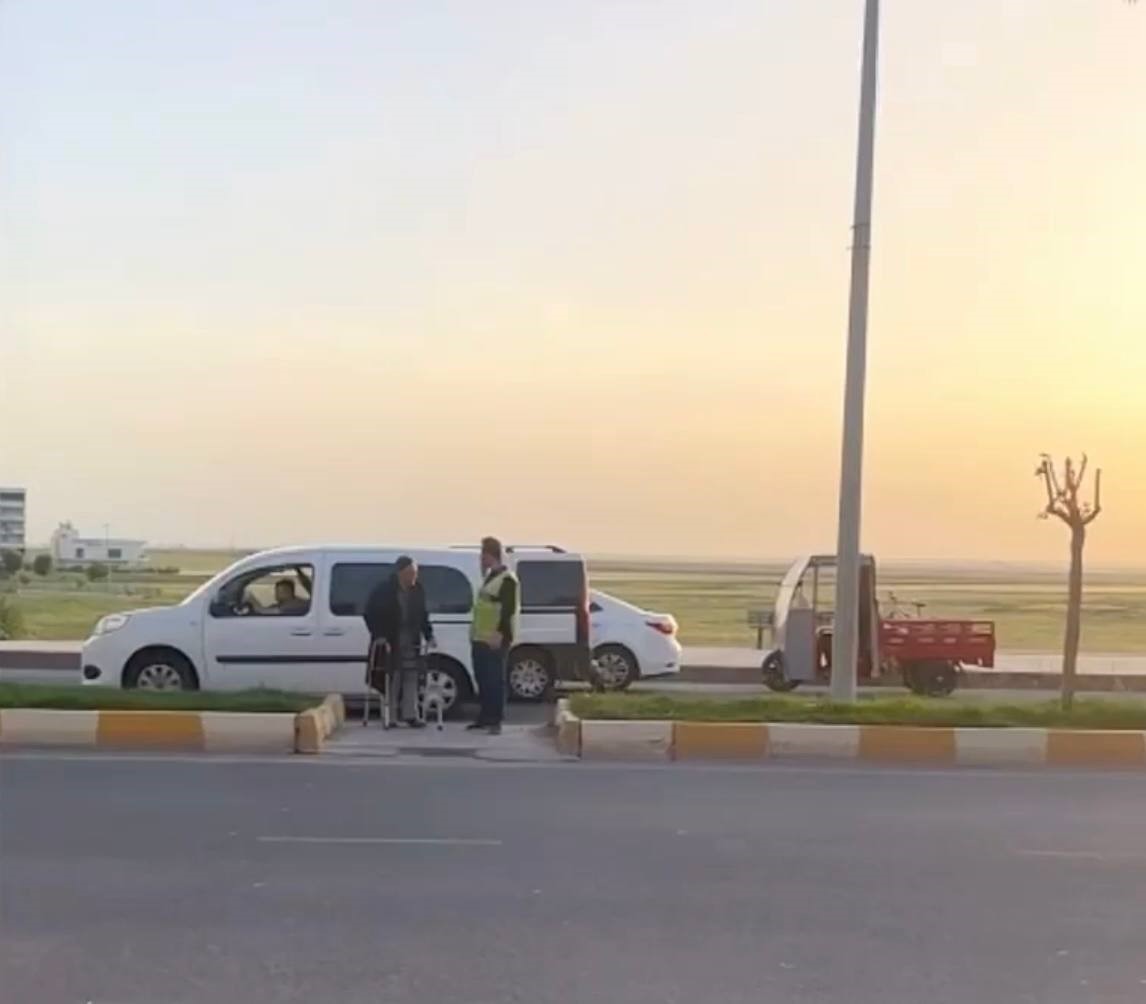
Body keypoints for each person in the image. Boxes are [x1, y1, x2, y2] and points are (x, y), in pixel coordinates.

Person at [362, 556, 435, 728]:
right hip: (391, 638)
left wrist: (429, 635)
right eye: (410, 573)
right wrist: (378, 634)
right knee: (392, 677)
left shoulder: (418, 590)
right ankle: (391, 715)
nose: (413, 577)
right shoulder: (384, 590)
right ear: (400, 573)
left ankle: (411, 714)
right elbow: (369, 613)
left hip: (411, 638)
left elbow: (423, 615)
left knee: (411, 676)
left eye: (415, 573)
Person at [468, 536, 519, 736]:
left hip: (495, 638)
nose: (481, 558)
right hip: (481, 636)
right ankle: (484, 716)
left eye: (483, 554)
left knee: (494, 679)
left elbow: (507, 610)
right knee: (482, 677)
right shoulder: (490, 577)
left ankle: (495, 719)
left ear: (491, 555)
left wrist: (500, 633)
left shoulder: (507, 580)